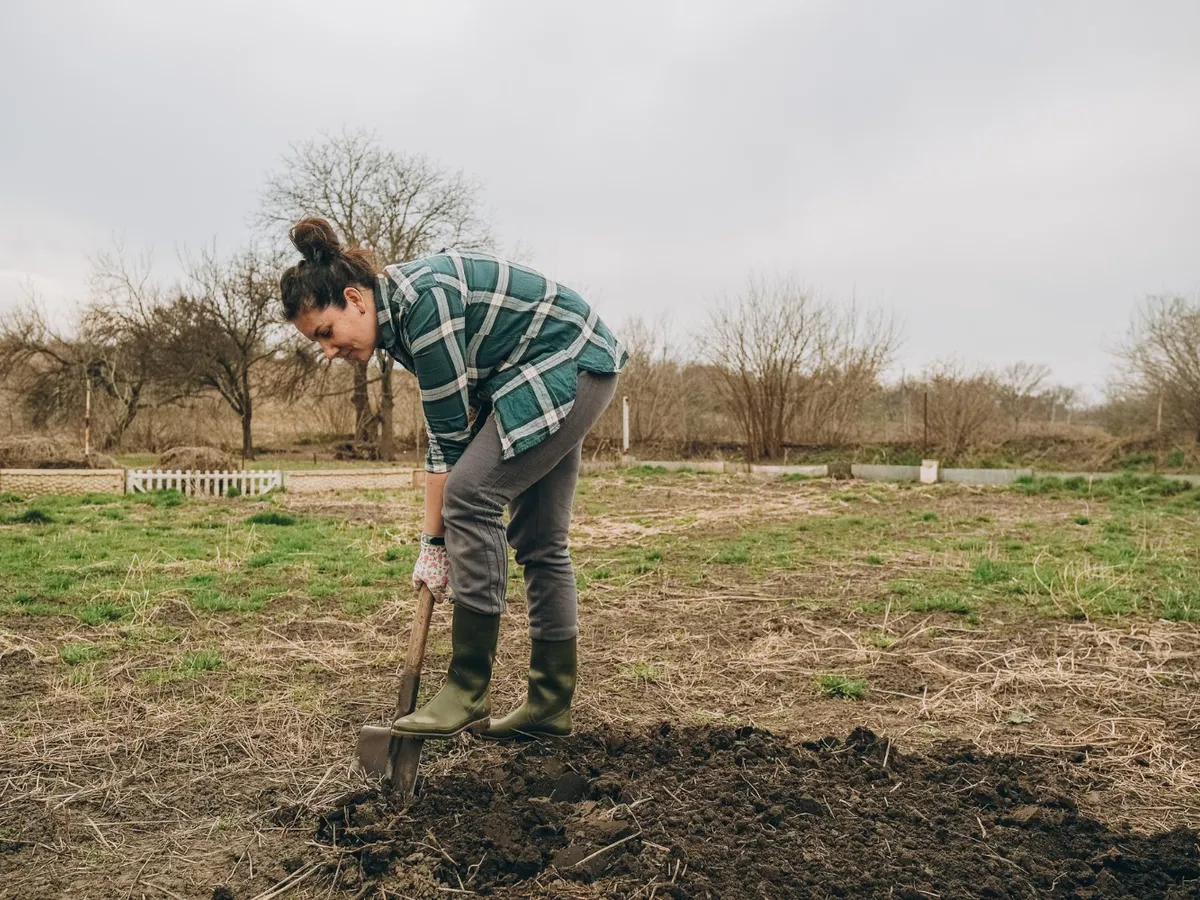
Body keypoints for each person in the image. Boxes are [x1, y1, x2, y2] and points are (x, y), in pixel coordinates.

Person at [279, 217, 626, 740]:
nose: (328, 352)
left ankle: (468, 688)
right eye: (317, 343)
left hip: (566, 362)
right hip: (534, 371)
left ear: (355, 298)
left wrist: (434, 542)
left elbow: (449, 447)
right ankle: (550, 704)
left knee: (471, 496)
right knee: (539, 539)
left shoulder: (424, 303)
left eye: (326, 333)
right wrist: (434, 542)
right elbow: (450, 430)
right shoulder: (394, 318)